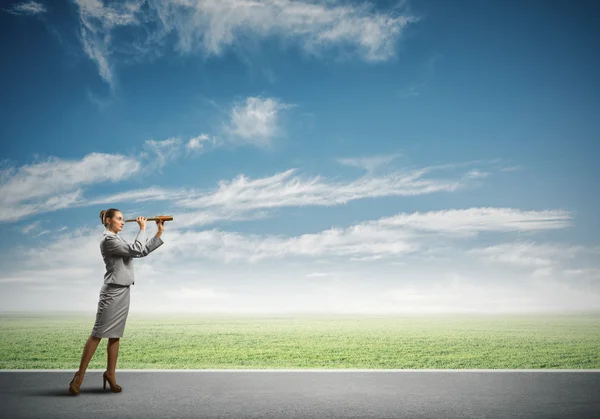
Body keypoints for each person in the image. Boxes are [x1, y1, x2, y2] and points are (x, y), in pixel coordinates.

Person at [68, 208, 165, 395]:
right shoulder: (108, 240)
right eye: (119, 219)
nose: (122, 221)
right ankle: (79, 376)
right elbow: (137, 248)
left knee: (115, 335)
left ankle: (110, 374)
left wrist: (158, 232)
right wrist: (142, 228)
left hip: (123, 291)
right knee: (97, 334)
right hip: (112, 293)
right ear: (108, 221)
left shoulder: (117, 239)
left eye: (122, 219)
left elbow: (142, 250)